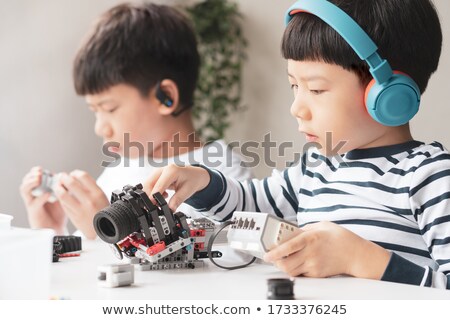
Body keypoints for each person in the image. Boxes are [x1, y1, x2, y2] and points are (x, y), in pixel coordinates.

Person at [144, 0, 450, 289]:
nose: (297, 108)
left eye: (316, 89)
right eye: (294, 85)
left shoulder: (429, 177)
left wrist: (360, 258)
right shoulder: (315, 169)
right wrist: (203, 183)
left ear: (388, 96)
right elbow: (248, 207)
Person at [19, 3, 252, 240]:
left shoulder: (224, 180)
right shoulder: (117, 171)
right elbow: (93, 270)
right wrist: (52, 233)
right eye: (95, 111)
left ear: (166, 97)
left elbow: (214, 268)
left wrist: (103, 234)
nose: (100, 127)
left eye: (110, 108)